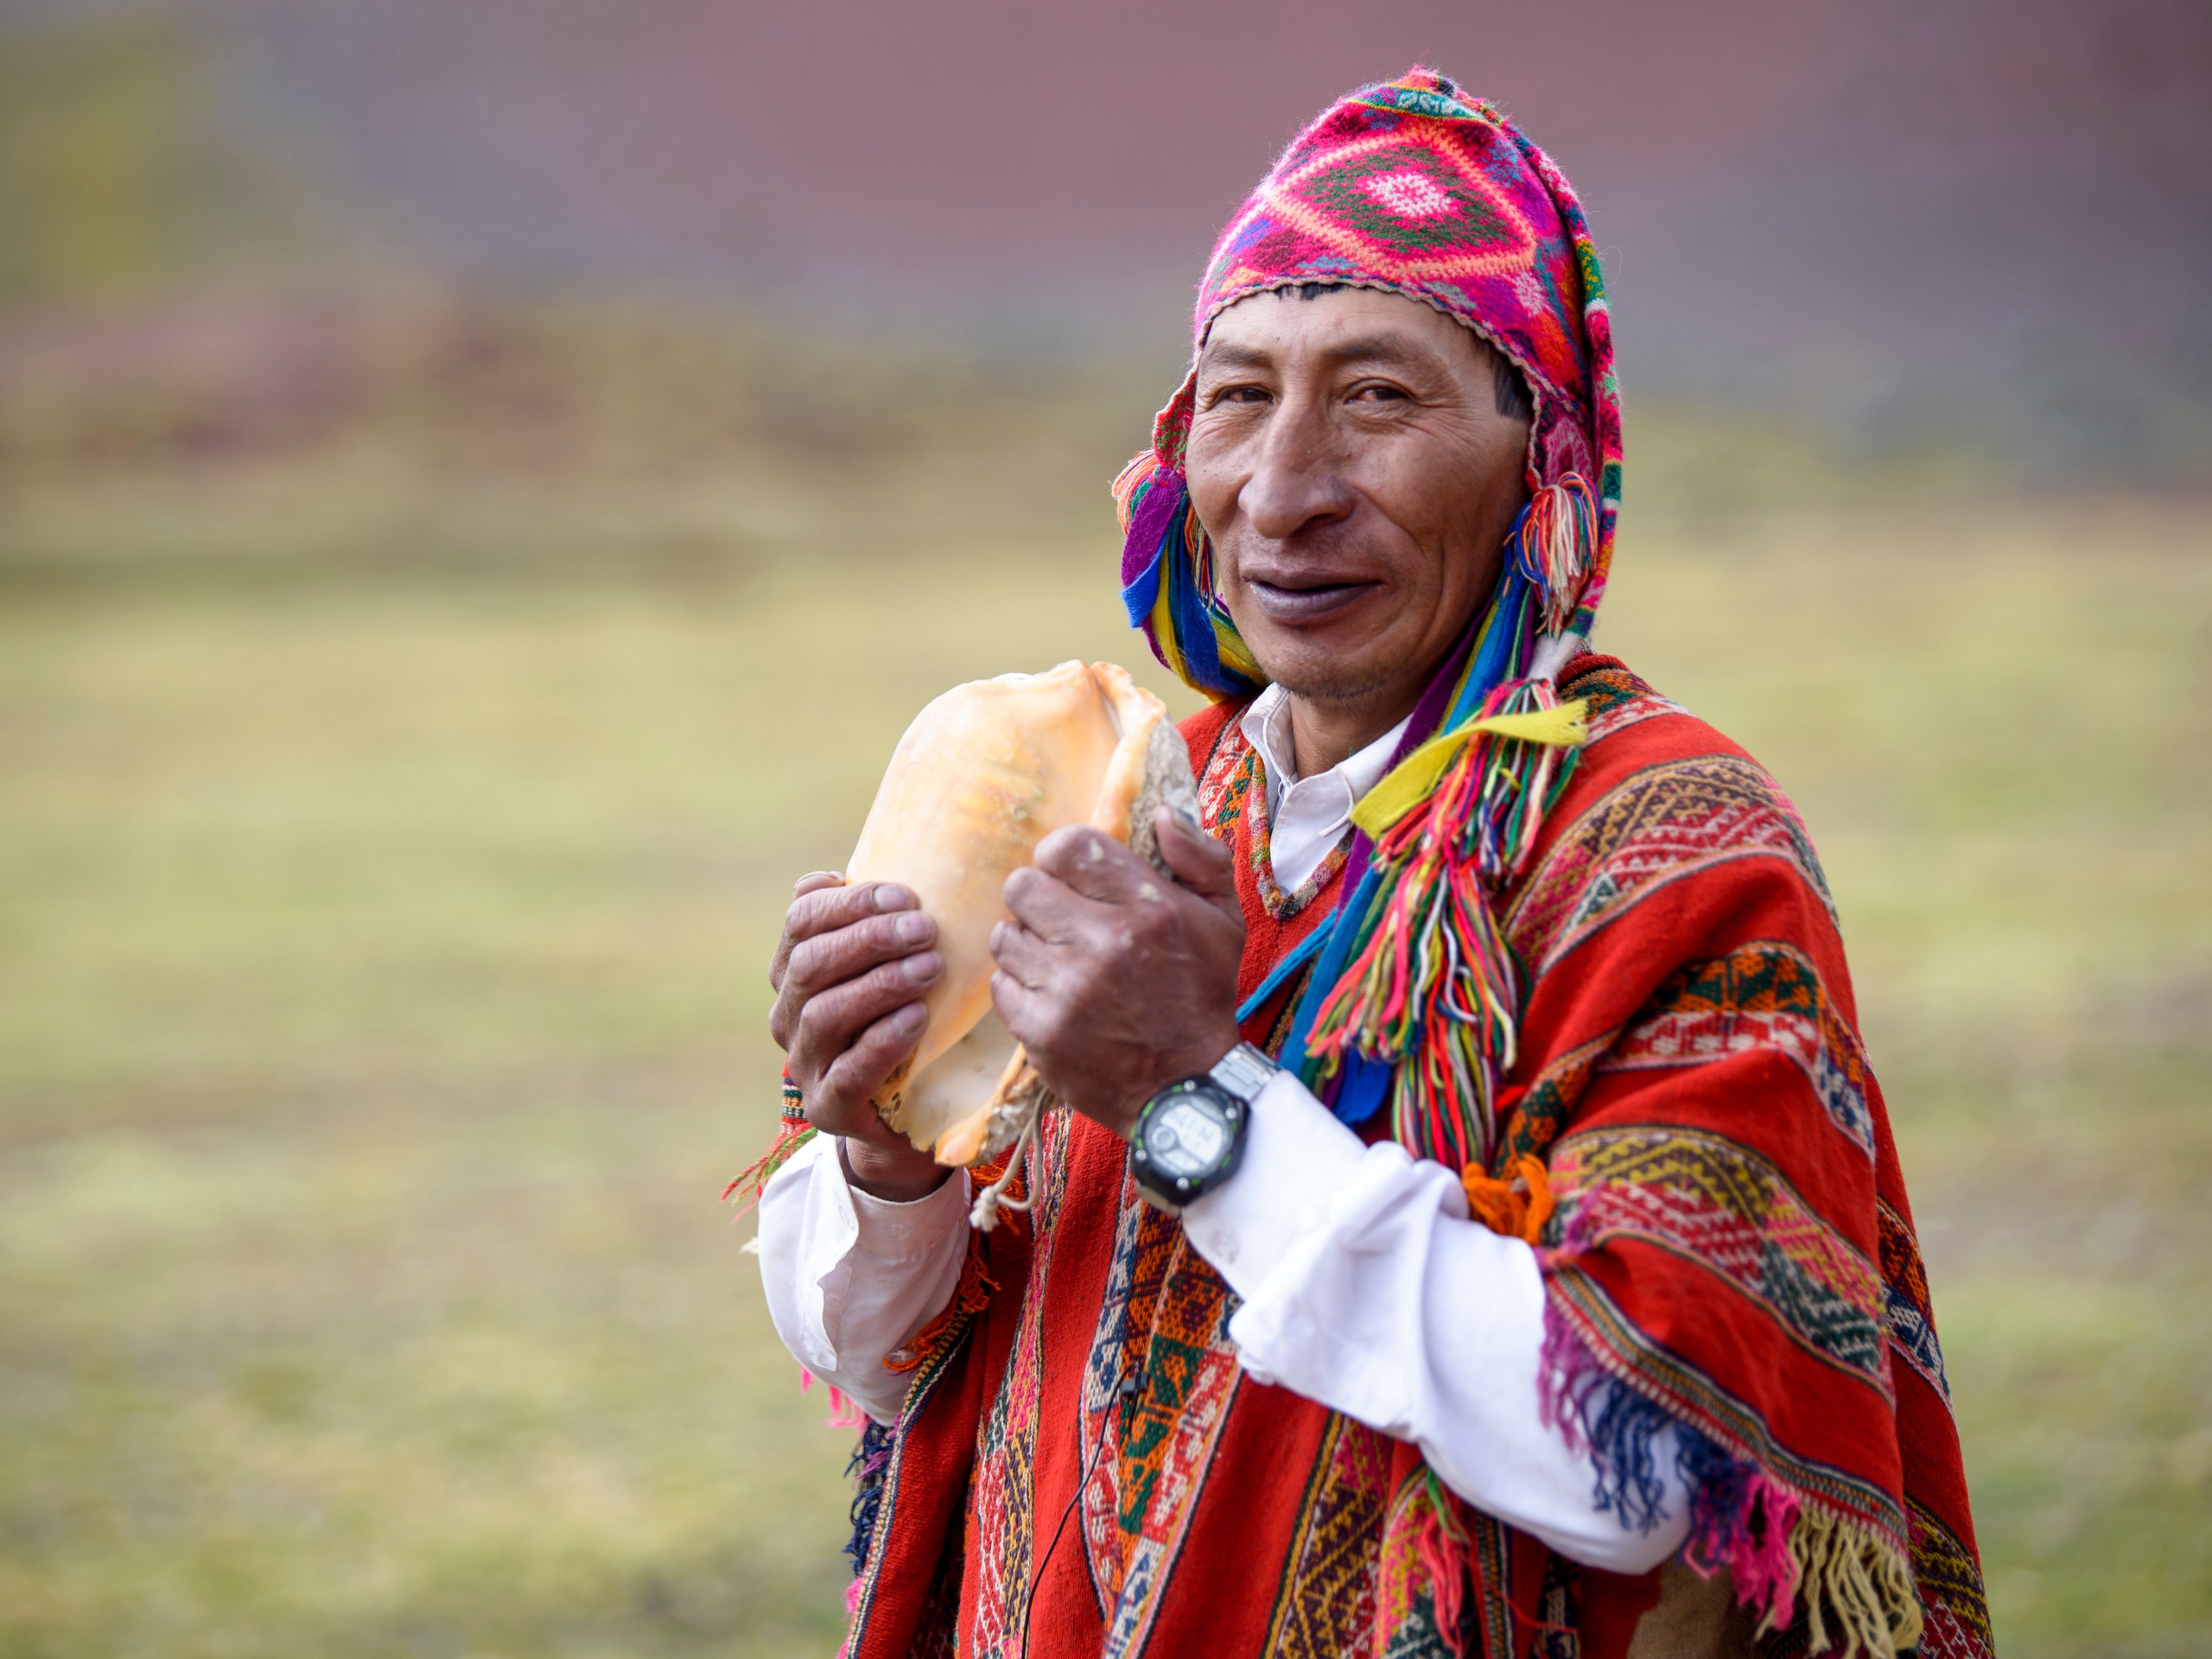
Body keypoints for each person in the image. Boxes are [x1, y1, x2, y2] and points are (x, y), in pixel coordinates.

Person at [743, 68, 1989, 1659]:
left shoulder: (1661, 840)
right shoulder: (1115, 790)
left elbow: (1653, 1464)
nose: (1284, 488)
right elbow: (884, 1355)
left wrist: (1194, 1097)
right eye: (1241, 395)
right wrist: (882, 1157)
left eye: (1382, 397)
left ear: (1541, 461)